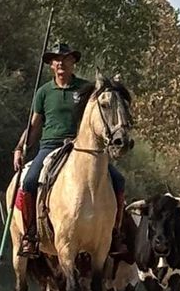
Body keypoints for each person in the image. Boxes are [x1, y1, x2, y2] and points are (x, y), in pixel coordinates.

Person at [12, 42, 129, 260]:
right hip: (49, 146)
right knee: (28, 182)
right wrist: (20, 147)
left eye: (65, 59)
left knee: (118, 180)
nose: (61, 63)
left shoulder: (85, 90)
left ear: (73, 62)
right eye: (56, 60)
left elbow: (103, 107)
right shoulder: (44, 92)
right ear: (50, 65)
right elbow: (34, 125)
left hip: (79, 146)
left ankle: (115, 233)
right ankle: (30, 234)